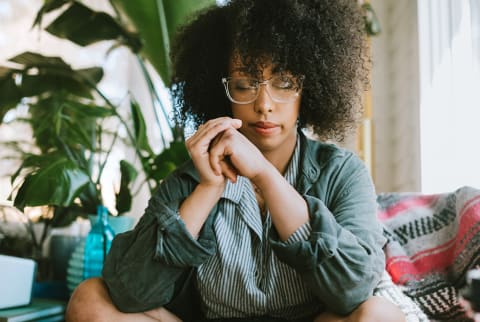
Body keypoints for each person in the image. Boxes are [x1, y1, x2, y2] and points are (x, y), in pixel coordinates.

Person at [66, 0, 426, 321]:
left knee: (380, 314)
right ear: (220, 91)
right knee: (89, 300)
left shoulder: (342, 172)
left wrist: (266, 177)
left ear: (311, 88)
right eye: (244, 84)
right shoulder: (190, 179)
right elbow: (131, 294)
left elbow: (353, 290)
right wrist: (208, 187)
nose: (264, 104)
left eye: (284, 82)